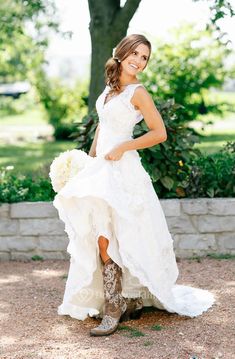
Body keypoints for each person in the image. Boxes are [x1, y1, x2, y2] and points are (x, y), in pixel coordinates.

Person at [52, 34, 215, 337]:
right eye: (136, 54)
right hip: (101, 168)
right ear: (122, 52)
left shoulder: (139, 92)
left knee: (120, 235)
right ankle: (124, 301)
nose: (139, 61)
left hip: (123, 169)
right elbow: (102, 125)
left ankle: (118, 305)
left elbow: (159, 133)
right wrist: (89, 159)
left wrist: (126, 146)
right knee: (102, 233)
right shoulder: (111, 88)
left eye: (145, 58)